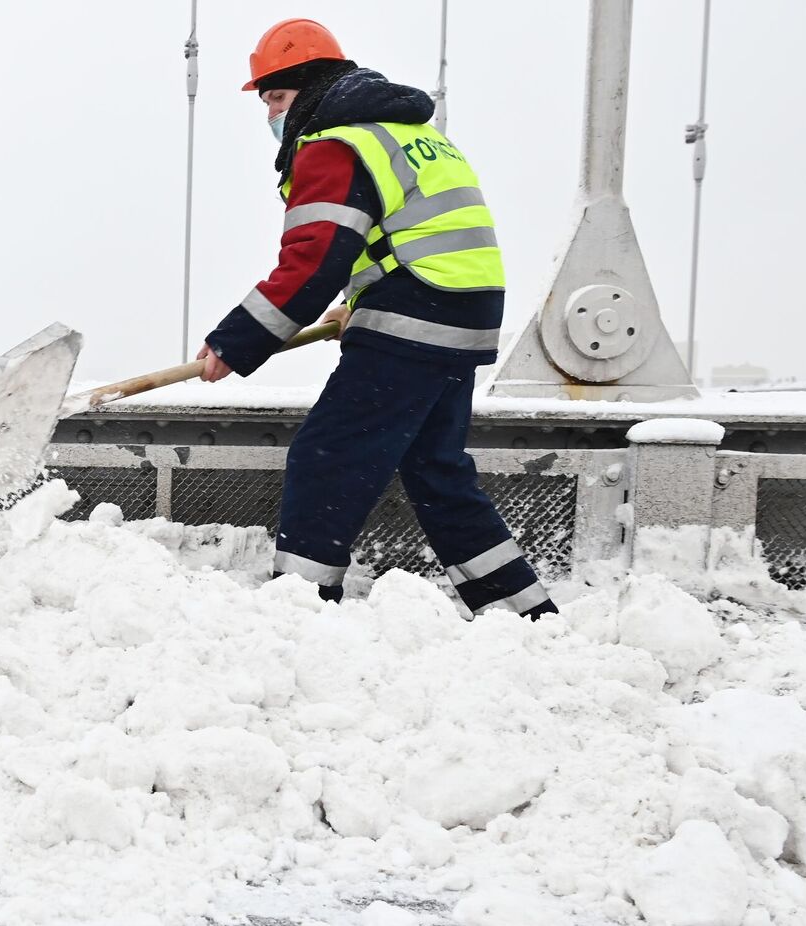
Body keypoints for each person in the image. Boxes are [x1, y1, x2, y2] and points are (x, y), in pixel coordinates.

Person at [196, 18, 557, 619]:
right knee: (436, 471)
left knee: (327, 456)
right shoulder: (410, 135)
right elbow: (408, 236)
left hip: (414, 317)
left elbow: (313, 261)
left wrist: (236, 341)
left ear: (312, 88)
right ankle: (525, 612)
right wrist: (362, 302)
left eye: (277, 98)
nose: (272, 116)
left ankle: (301, 608)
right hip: (459, 314)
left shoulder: (336, 144)